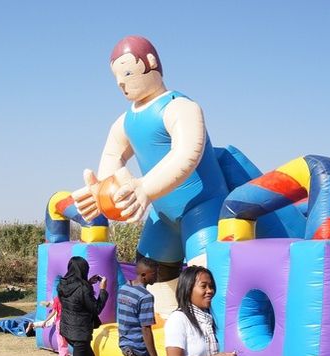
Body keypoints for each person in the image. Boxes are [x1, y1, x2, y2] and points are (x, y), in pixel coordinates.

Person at [73, 36, 229, 311]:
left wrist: (144, 188)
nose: (121, 83)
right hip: (164, 217)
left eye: (128, 73)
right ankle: (168, 332)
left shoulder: (180, 107)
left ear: (151, 63)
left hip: (202, 208)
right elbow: (112, 158)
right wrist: (104, 195)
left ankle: (212, 339)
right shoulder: (125, 122)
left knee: (207, 280)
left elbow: (187, 153)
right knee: (150, 274)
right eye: (117, 77)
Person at [57, 256, 109, 356]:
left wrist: (89, 282)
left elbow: (77, 296)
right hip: (80, 333)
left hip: (67, 330)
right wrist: (102, 290)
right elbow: (96, 308)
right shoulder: (83, 288)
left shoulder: (63, 284)